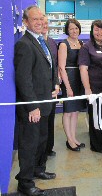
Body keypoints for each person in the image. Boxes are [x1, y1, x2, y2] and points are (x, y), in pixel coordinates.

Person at [14, 5, 59, 196]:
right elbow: (23, 79)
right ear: (25, 22)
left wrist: (55, 84)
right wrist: (32, 106)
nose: (40, 22)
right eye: (35, 19)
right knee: (30, 143)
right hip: (33, 107)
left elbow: (50, 68)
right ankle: (24, 181)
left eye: (41, 18)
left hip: (46, 102)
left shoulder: (43, 41)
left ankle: (38, 169)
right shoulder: (24, 44)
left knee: (42, 140)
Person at [78, 20, 102, 154]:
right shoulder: (86, 47)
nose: (99, 32)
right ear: (92, 31)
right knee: (96, 118)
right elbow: (83, 69)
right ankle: (97, 145)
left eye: (101, 29)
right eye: (96, 30)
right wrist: (87, 89)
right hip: (95, 88)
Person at [58, 18, 86, 152]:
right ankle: (69, 140)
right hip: (69, 79)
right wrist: (68, 87)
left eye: (76, 28)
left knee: (75, 111)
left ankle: (74, 138)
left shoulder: (81, 43)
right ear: (67, 30)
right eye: (71, 29)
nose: (74, 31)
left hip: (79, 79)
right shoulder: (64, 44)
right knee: (68, 111)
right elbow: (62, 67)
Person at [42, 15, 59, 157]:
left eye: (47, 23)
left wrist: (57, 83)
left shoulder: (52, 42)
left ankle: (49, 148)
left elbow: (56, 65)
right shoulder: (32, 42)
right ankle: (41, 151)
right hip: (40, 89)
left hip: (52, 87)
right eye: (43, 22)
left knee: (51, 118)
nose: (45, 25)